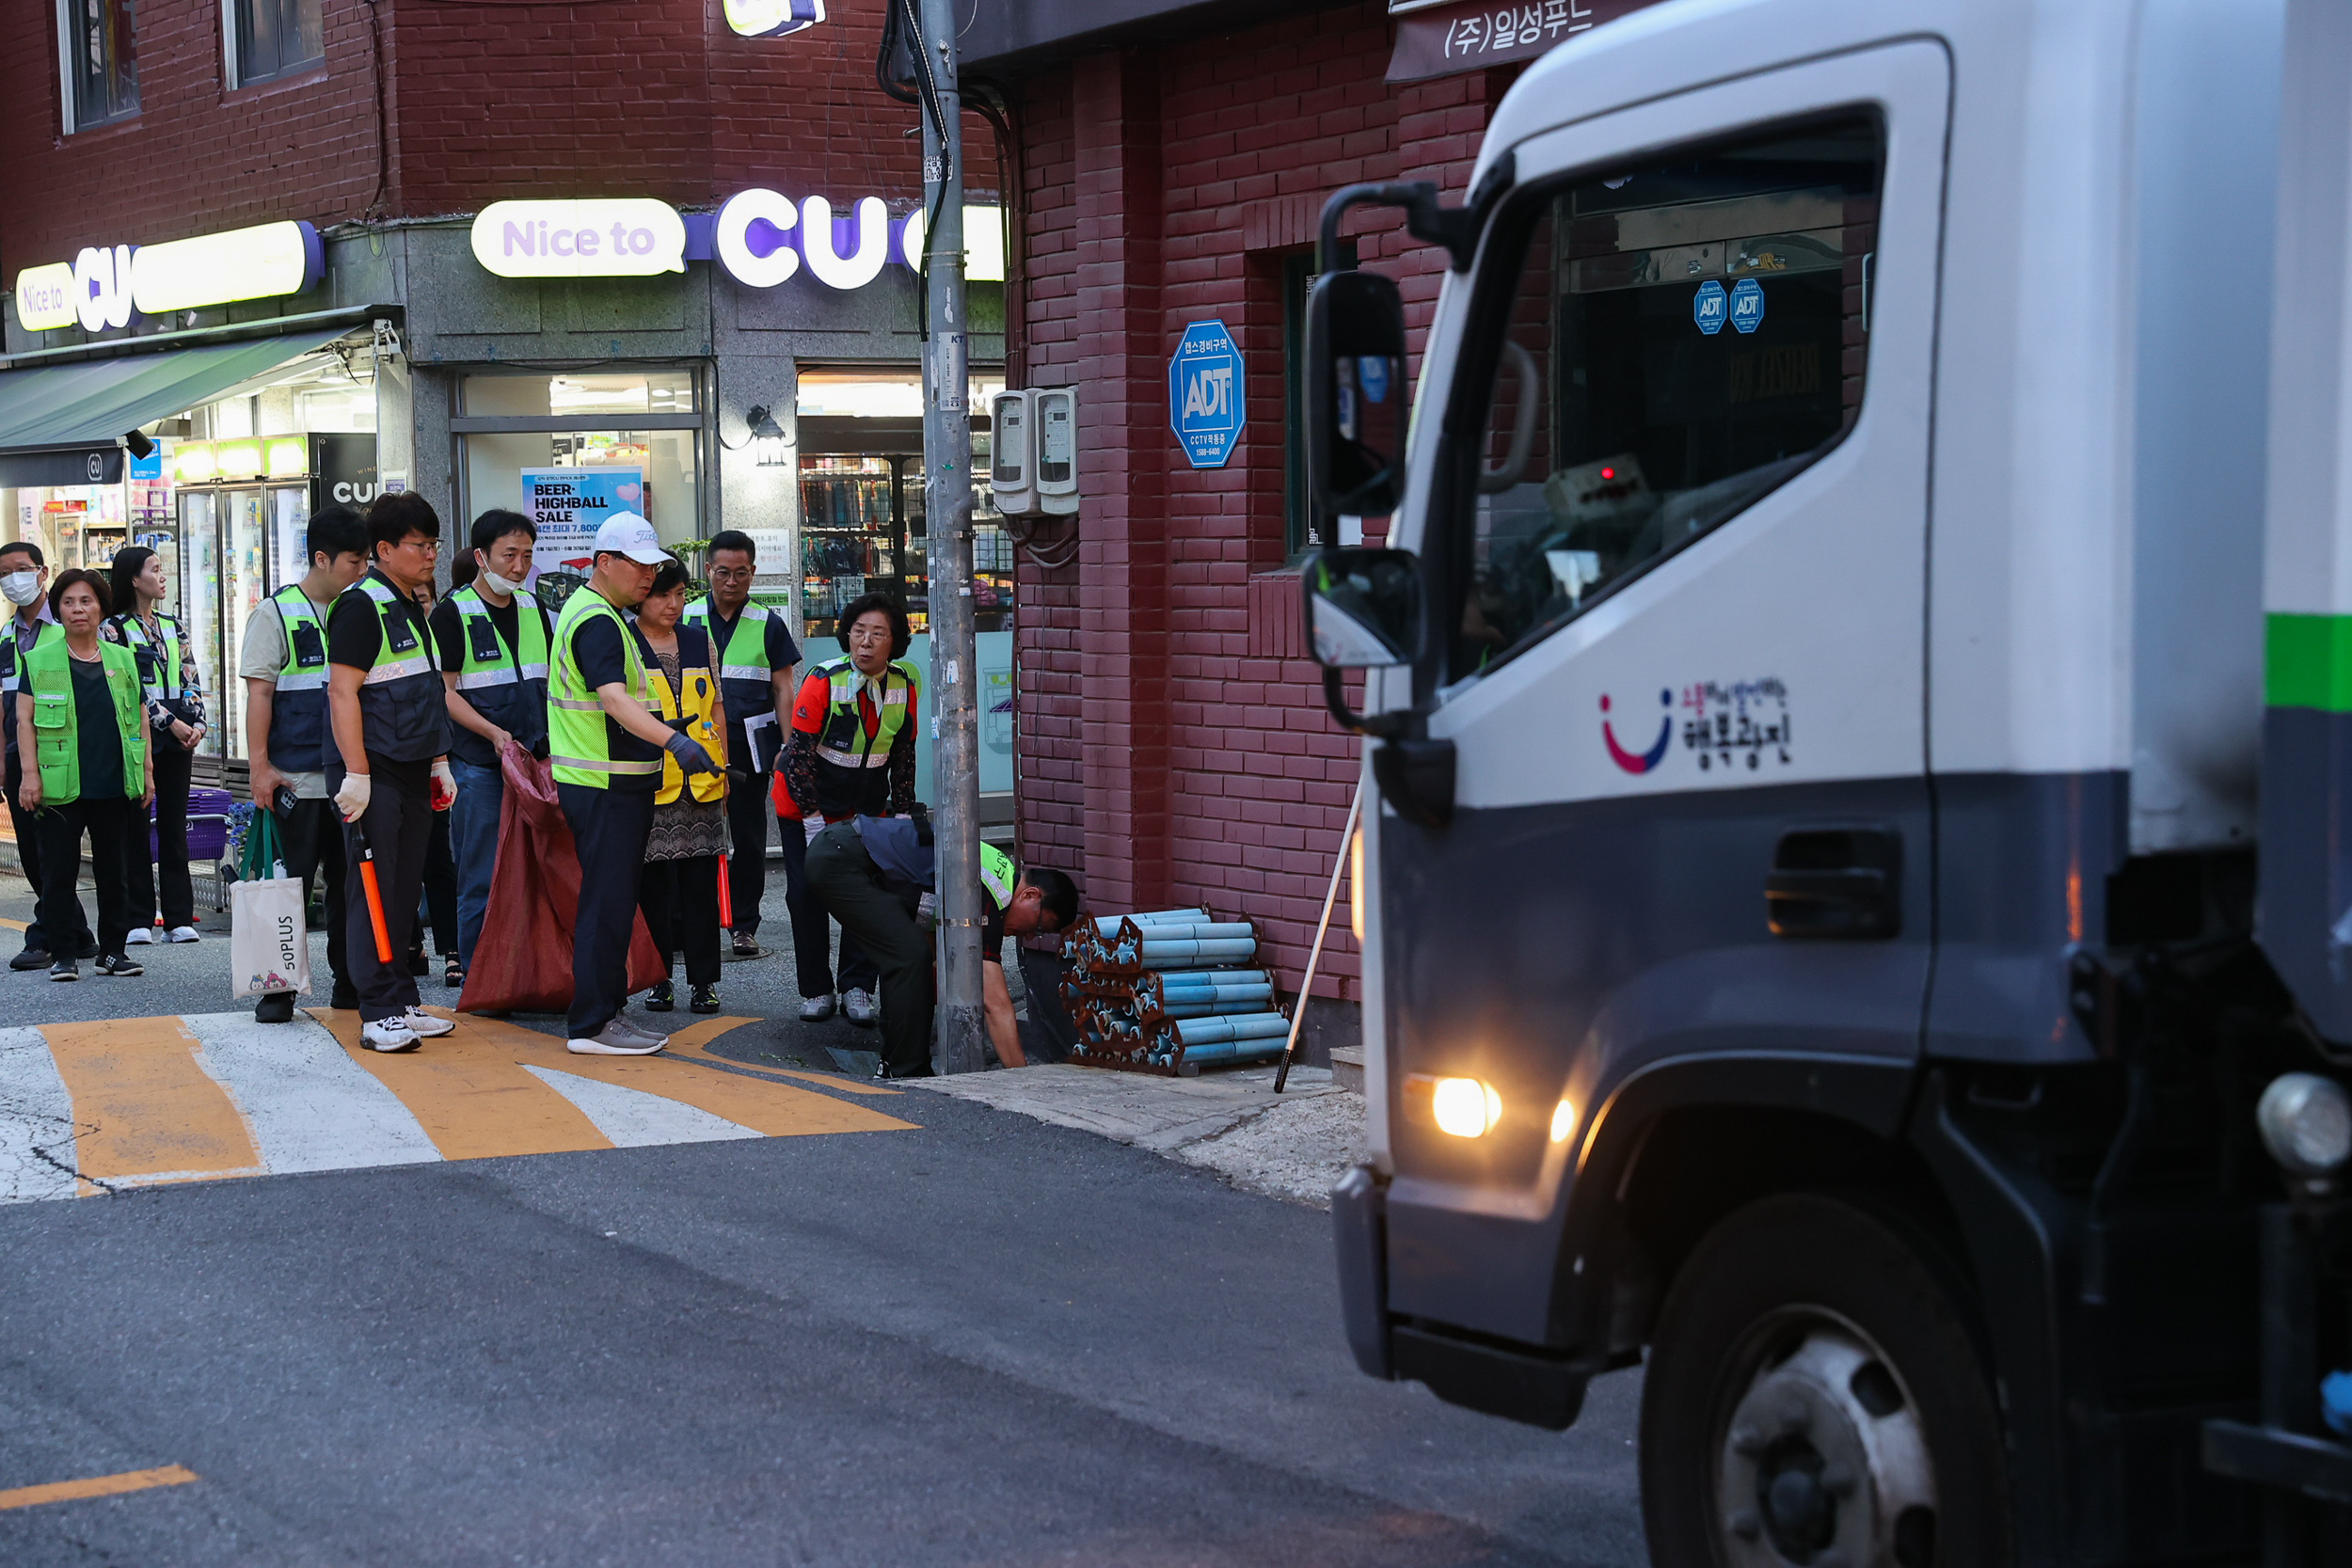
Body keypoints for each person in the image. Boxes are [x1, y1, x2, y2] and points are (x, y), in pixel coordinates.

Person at [548, 512, 719, 1054]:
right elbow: (615, 701)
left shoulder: (598, 611)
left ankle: (605, 1014)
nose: (650, 577)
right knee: (608, 904)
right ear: (605, 562)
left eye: (654, 565)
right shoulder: (598, 619)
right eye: (640, 566)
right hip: (606, 785)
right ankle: (595, 1023)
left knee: (612, 902)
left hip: (606, 782)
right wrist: (674, 742)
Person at [326, 493, 460, 1053]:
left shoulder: (410, 604)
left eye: (434, 544)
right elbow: (342, 691)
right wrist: (356, 772)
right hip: (373, 771)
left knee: (405, 889)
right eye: (418, 545)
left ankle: (402, 998)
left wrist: (438, 760)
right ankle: (376, 1009)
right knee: (374, 891)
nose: (429, 554)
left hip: (411, 766)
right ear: (383, 549)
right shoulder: (362, 605)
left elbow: (425, 688)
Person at [804, 813, 1078, 1077]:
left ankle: (898, 1063)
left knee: (912, 960)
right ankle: (906, 1071)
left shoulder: (996, 874)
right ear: (1030, 895)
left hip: (843, 850)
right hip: (842, 858)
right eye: (1041, 926)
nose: (1030, 936)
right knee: (909, 958)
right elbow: (996, 1004)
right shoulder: (988, 892)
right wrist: (1023, 1082)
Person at [245, 507, 371, 1022]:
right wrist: (259, 768)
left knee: (350, 888)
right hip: (294, 778)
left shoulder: (362, 610)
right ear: (321, 558)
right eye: (353, 560)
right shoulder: (274, 614)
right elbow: (260, 694)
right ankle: (278, 988)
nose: (361, 569)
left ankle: (351, 982)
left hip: (349, 780)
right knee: (286, 884)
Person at [779, 592, 920, 1027]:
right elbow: (799, 754)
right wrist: (813, 820)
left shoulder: (904, 684)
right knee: (807, 895)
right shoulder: (824, 679)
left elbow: (904, 754)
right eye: (859, 632)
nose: (866, 642)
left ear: (893, 642)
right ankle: (817, 989)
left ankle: (858, 986)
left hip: (867, 807)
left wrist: (900, 815)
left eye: (878, 634)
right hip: (808, 803)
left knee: (869, 895)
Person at [11, 569, 153, 981]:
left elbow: (139, 717)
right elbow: (24, 721)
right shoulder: (40, 660)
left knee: (115, 873)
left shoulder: (122, 658)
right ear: (58, 608)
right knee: (59, 873)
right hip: (60, 786)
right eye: (69, 602)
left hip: (113, 781)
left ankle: (113, 952)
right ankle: (64, 955)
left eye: (87, 601)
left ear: (101, 609)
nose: (78, 610)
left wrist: (146, 773)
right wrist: (29, 777)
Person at [432, 509, 550, 982]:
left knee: (536, 870)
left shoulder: (534, 608)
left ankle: (527, 969)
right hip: (479, 765)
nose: (519, 567)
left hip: (537, 762)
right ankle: (481, 974)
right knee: (480, 872)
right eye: (509, 556)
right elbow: (444, 692)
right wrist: (492, 733)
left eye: (526, 555)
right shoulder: (452, 612)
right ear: (481, 557)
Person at [680, 530, 801, 963]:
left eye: (742, 573)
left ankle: (744, 926)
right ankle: (692, 924)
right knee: (693, 837)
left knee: (748, 840)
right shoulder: (685, 616)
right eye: (724, 572)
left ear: (753, 572)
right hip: (693, 747)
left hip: (751, 750)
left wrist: (788, 747)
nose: (732, 581)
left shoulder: (767, 622)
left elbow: (785, 689)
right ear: (709, 570)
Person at [633, 560, 729, 1016]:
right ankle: (659, 980)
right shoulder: (625, 641)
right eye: (661, 595)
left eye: (679, 594)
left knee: (700, 893)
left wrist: (723, 768)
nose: (673, 605)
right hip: (651, 787)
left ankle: (704, 982)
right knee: (653, 891)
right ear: (641, 595)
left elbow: (717, 710)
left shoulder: (697, 639)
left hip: (701, 788)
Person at [104, 546, 207, 946]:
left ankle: (180, 917)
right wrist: (172, 722)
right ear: (133, 578)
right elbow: (128, 688)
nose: (163, 576)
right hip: (139, 737)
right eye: (155, 569)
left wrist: (197, 721)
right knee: (135, 825)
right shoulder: (113, 629)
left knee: (174, 826)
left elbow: (191, 675)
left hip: (181, 737)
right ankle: (139, 919)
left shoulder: (173, 625)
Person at [0, 540, 87, 971]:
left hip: (61, 754)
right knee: (35, 855)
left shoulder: (66, 627)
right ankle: (76, 930)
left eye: (20, 569)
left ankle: (50, 934)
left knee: (53, 850)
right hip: (19, 754)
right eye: (3, 574)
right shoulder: (6, 634)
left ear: (42, 572)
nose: (12, 580)